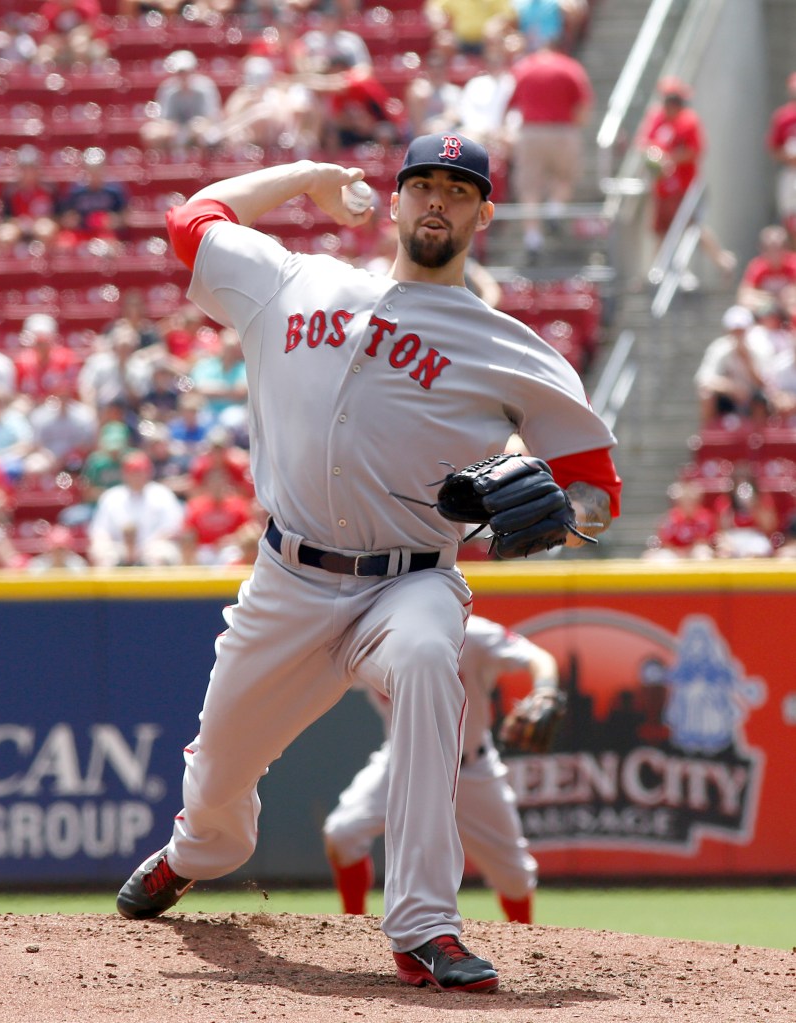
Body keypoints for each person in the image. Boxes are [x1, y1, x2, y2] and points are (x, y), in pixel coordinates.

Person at [114, 132, 620, 993]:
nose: (437, 201)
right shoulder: (294, 279)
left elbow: (598, 494)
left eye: (458, 191)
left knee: (430, 657)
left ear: (483, 213)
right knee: (218, 789)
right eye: (422, 184)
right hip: (288, 581)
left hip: (412, 578)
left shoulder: (509, 347)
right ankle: (198, 850)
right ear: (393, 202)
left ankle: (424, 926)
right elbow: (192, 219)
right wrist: (309, 177)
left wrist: (552, 514)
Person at [323, 613, 558, 923]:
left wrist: (544, 690)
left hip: (470, 770)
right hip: (403, 763)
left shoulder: (467, 631)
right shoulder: (368, 637)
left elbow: (539, 658)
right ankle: (352, 929)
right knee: (342, 833)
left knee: (514, 878)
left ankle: (531, 953)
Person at [638, 77, 736, 279]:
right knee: (661, 230)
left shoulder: (688, 120)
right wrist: (657, 159)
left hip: (684, 186)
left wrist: (670, 158)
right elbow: (645, 145)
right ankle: (659, 271)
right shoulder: (656, 118)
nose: (670, 104)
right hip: (662, 187)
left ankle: (720, 261)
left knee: (691, 228)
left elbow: (695, 150)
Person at [505, 40, 593, 263]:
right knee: (564, 177)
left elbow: (510, 104)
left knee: (529, 188)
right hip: (563, 130)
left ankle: (532, 237)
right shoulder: (570, 67)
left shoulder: (524, 67)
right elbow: (583, 107)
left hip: (531, 131)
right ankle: (555, 209)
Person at [88, 450, 185, 567]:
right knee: (101, 551)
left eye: (140, 472)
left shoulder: (162, 494)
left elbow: (173, 528)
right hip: (119, 548)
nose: (137, 476)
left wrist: (146, 547)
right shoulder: (111, 496)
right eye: (133, 472)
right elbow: (100, 531)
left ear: (148, 472)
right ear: (125, 474)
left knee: (162, 553)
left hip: (153, 547)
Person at [694, 304, 774, 427]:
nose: (738, 334)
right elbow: (703, 379)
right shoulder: (719, 348)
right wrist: (731, 388)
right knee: (706, 395)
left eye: (741, 330)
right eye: (734, 330)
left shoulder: (761, 348)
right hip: (729, 400)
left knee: (760, 399)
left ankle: (759, 440)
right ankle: (709, 437)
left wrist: (747, 361)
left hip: (755, 399)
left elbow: (766, 384)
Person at [139, 49, 222, 153]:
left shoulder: (206, 87)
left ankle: (201, 163)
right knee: (150, 132)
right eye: (180, 73)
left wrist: (194, 128)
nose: (183, 76)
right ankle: (164, 163)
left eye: (186, 72)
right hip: (176, 130)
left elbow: (211, 118)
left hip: (199, 130)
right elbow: (164, 120)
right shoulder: (167, 89)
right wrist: (175, 129)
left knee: (202, 132)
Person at [0, 145, 61, 254]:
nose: (28, 173)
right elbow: (5, 218)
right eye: (24, 168)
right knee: (4, 236)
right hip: (18, 225)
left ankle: (42, 266)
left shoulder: (49, 188)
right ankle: (9, 268)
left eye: (31, 168)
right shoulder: (10, 190)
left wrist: (38, 221)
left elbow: (57, 216)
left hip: (39, 223)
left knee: (46, 231)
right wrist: (19, 222)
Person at [736, 224, 796, 315]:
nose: (774, 253)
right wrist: (766, 298)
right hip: (766, 311)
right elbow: (743, 295)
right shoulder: (757, 265)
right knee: (737, 313)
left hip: (789, 310)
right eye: (768, 248)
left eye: (778, 247)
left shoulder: (793, 263)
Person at [766, 71, 796, 243]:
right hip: (790, 173)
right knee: (790, 222)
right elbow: (773, 148)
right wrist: (789, 157)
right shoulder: (782, 117)